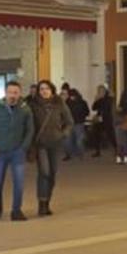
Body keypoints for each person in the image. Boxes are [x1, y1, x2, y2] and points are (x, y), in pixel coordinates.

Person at [0, 79, 35, 221]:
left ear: (20, 94)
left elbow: (30, 130)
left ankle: (16, 210)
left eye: (16, 93)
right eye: (10, 92)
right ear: (5, 93)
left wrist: (24, 147)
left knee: (19, 182)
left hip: (17, 152)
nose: (13, 95)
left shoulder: (25, 109)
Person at [30, 78, 72, 217]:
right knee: (44, 172)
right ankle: (41, 204)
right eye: (41, 89)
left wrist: (63, 134)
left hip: (56, 143)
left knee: (52, 173)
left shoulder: (59, 103)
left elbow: (69, 122)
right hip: (40, 144)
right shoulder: (33, 105)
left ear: (52, 90)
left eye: (46, 89)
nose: (44, 91)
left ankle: (47, 201)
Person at [64, 83, 90, 158]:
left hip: (77, 123)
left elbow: (86, 112)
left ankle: (74, 154)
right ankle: (77, 154)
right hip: (76, 123)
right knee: (71, 140)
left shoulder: (68, 103)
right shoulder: (81, 102)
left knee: (73, 140)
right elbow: (87, 112)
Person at [91, 83, 116, 159]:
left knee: (110, 134)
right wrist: (96, 100)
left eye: (101, 90)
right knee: (96, 134)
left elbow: (107, 107)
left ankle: (116, 148)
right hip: (99, 119)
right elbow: (94, 108)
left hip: (107, 119)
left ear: (105, 91)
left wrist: (102, 99)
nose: (100, 92)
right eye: (99, 91)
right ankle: (97, 150)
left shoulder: (109, 98)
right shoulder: (99, 98)